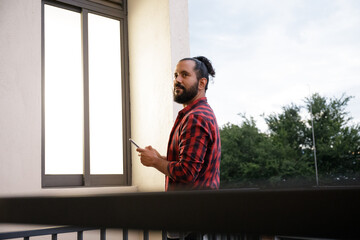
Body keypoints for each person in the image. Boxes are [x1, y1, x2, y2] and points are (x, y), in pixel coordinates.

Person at [136, 56, 221, 191]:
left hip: (194, 208)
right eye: (176, 75)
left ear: (201, 83)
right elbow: (191, 164)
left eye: (185, 75)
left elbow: (187, 173)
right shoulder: (194, 114)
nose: (177, 80)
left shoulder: (196, 117)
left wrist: (155, 161)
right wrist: (160, 158)